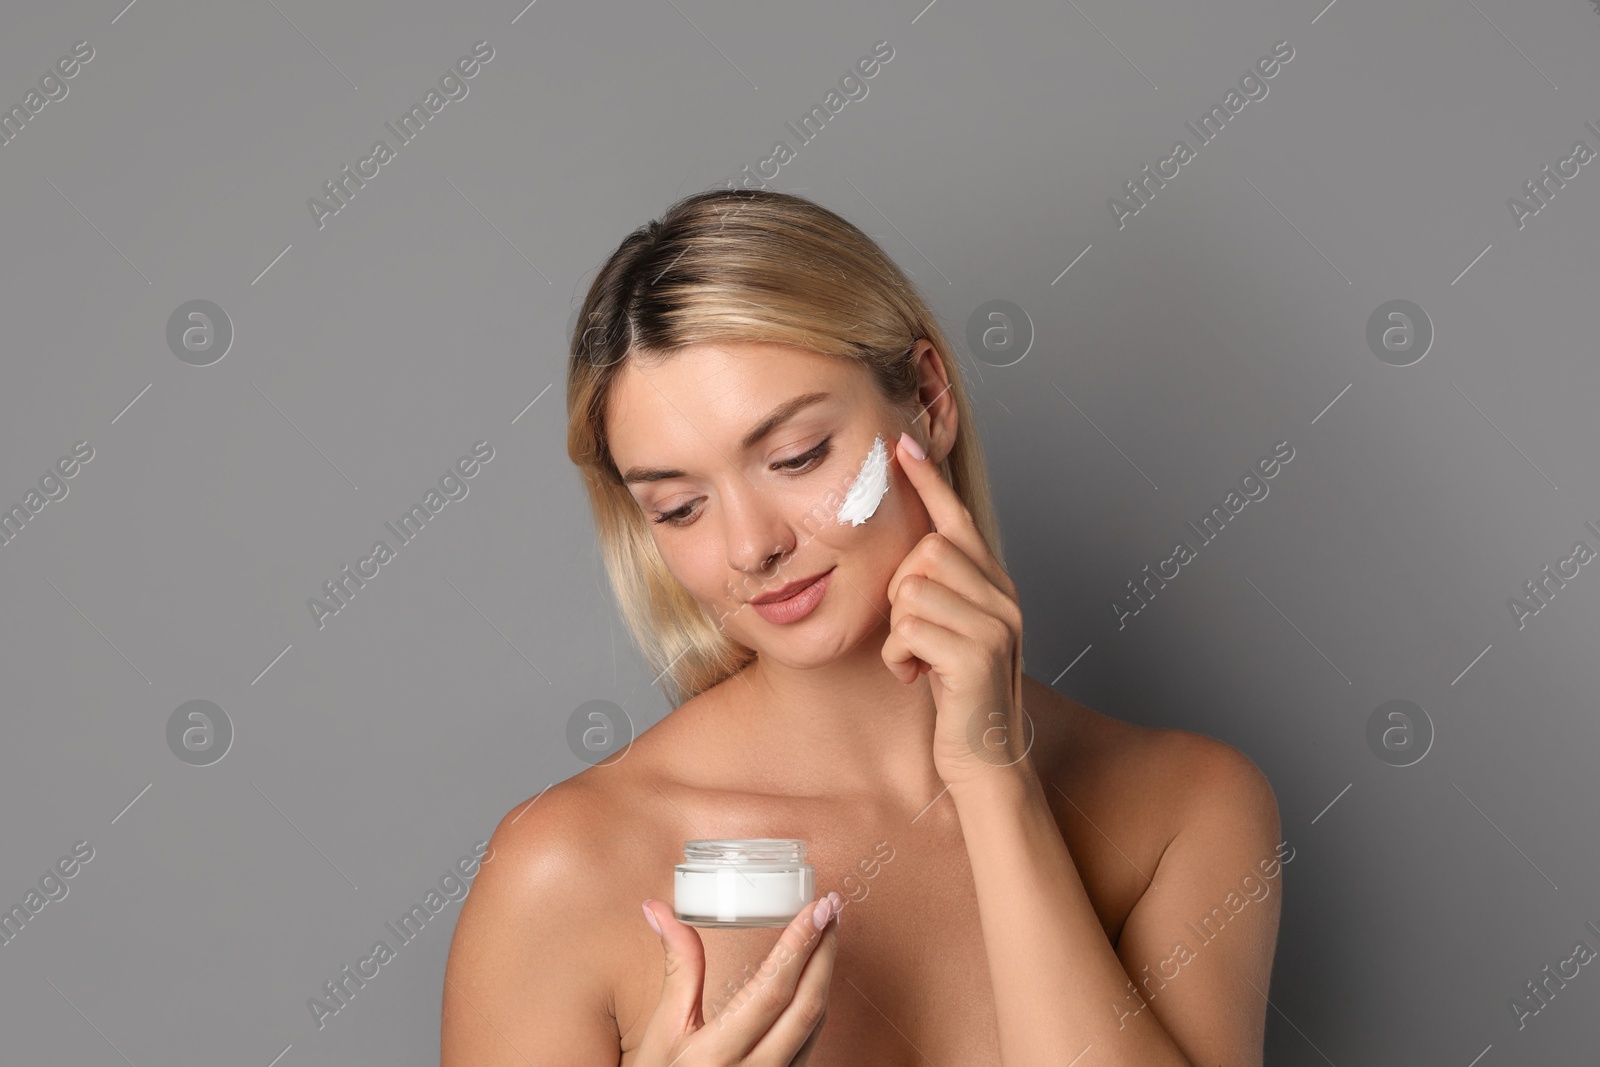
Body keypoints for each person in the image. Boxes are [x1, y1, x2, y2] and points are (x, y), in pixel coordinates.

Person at [441, 188, 1284, 1065]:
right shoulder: (567, 870)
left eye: (797, 456)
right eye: (681, 506)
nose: (751, 546)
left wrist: (993, 782)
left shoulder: (1184, 811)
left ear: (927, 396)